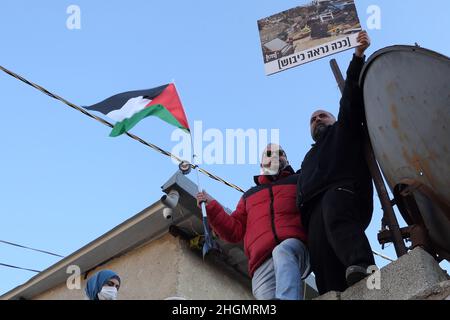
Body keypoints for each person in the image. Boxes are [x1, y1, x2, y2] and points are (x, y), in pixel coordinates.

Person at [296, 31, 376, 295]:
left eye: (322, 115)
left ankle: (363, 266)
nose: (317, 119)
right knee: (318, 243)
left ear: (333, 118)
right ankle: (331, 291)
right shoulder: (307, 160)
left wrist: (358, 56)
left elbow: (350, 98)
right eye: (312, 119)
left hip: (345, 192)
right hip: (315, 207)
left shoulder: (344, 129)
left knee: (334, 207)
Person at [196, 144, 310, 300]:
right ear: (262, 164)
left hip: (295, 249)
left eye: (280, 153)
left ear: (287, 160)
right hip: (261, 263)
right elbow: (234, 231)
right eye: (269, 153)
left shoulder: (298, 182)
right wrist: (212, 207)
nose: (275, 155)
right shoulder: (249, 196)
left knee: (282, 251)